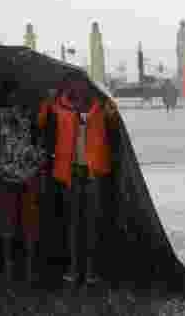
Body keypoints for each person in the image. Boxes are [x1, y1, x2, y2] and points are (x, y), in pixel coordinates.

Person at [39, 73, 120, 285]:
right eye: (74, 84)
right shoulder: (60, 106)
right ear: (68, 86)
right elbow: (40, 121)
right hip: (71, 170)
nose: (78, 87)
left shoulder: (99, 107)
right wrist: (48, 100)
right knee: (73, 222)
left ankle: (91, 271)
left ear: (88, 85)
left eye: (82, 83)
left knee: (92, 222)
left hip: (94, 171)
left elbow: (114, 121)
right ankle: (74, 269)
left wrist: (110, 101)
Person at [0, 79, 47, 283]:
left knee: (29, 223)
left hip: (27, 176)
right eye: (12, 94)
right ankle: (10, 266)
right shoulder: (0, 116)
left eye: (18, 94)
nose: (15, 98)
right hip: (6, 175)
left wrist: (39, 167)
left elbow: (40, 143)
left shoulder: (32, 115)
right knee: (8, 223)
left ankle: (29, 266)